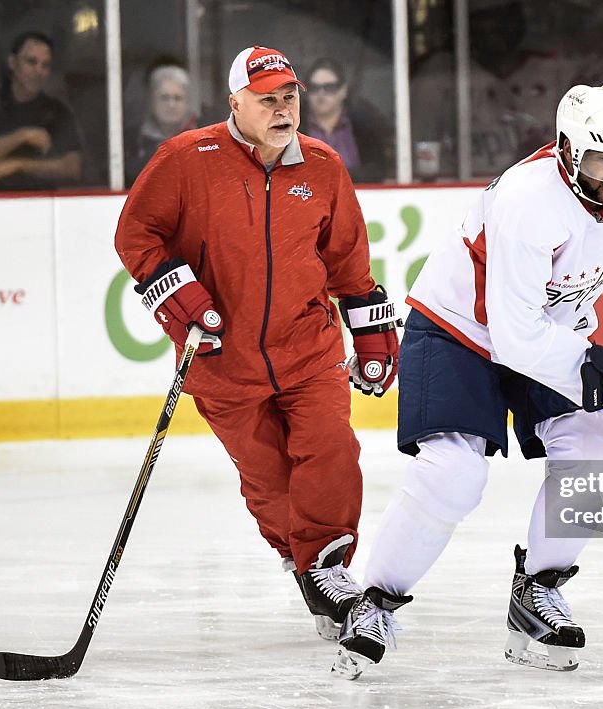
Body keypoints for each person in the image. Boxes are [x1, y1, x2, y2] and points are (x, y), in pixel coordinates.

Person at [331, 83, 603, 679]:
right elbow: (516, 338)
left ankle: (537, 589)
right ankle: (374, 601)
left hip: (553, 324)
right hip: (460, 327)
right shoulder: (529, 200)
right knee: (453, 472)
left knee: (598, 459)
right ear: (566, 150)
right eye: (602, 159)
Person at [114, 46, 401, 641]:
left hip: (308, 350)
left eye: (288, 96)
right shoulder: (186, 158)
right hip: (223, 361)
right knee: (268, 480)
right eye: (266, 99)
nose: (281, 109)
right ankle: (305, 563)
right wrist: (179, 299)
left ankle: (325, 568)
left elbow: (348, 262)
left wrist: (371, 333)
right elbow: (135, 235)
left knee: (330, 451)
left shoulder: (323, 166)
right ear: (234, 103)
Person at [0, 31, 83, 192]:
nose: (38, 71)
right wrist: (23, 136)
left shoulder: (56, 112)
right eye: (31, 62)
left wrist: (19, 165)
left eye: (45, 65)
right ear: (12, 63)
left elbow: (72, 167)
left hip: (38, 207)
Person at [300, 57, 390, 184]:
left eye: (329, 87)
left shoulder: (364, 126)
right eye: (314, 87)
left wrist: (334, 175)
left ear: (343, 91)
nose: (321, 94)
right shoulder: (294, 128)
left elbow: (377, 171)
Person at [125, 64, 198, 185]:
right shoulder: (130, 139)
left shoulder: (205, 136)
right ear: (152, 101)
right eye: (164, 98)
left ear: (187, 102)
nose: (171, 105)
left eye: (177, 98)